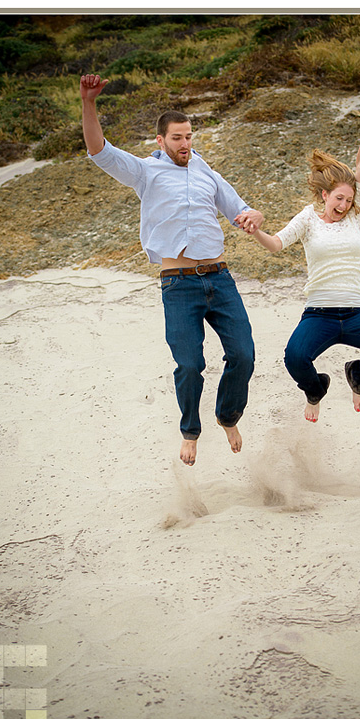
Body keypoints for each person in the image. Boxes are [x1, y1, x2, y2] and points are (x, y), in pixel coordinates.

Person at [80, 74, 263, 466]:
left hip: (219, 277)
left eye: (189, 136)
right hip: (178, 284)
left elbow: (240, 209)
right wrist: (89, 102)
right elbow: (99, 150)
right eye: (177, 138)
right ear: (160, 140)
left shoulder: (205, 171)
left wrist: (252, 216)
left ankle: (228, 416)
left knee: (244, 355)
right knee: (190, 364)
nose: (185, 144)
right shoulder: (145, 171)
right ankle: (190, 431)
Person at [239, 99, 360, 421]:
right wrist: (256, 233)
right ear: (324, 196)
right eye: (338, 198)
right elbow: (276, 244)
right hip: (319, 316)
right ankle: (316, 388)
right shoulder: (308, 219)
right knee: (295, 357)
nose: (344, 205)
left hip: (356, 315)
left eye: (348, 199)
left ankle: (358, 374)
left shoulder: (355, 217)